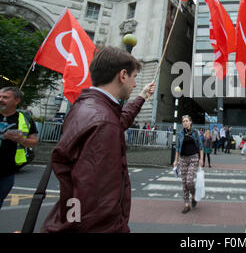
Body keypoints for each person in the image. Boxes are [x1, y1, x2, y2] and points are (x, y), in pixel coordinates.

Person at [41, 46, 156, 233]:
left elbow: (119, 120)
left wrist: (142, 97)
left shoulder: (88, 106)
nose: (135, 85)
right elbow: (97, 199)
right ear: (123, 75)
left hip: (73, 217)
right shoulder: (104, 121)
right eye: (134, 77)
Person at [0, 87, 38, 209]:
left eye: (5, 97)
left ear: (16, 101)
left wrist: (21, 140)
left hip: (7, 171)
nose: (1, 99)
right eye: (0, 96)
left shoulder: (25, 118)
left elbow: (34, 141)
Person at [173, 115, 204, 214]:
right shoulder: (180, 134)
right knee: (184, 182)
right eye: (183, 121)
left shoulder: (195, 133)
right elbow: (177, 148)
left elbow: (201, 147)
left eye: (187, 121)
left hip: (194, 158)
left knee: (189, 181)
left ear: (190, 122)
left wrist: (201, 159)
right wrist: (175, 160)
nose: (185, 122)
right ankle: (186, 204)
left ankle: (194, 195)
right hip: (183, 159)